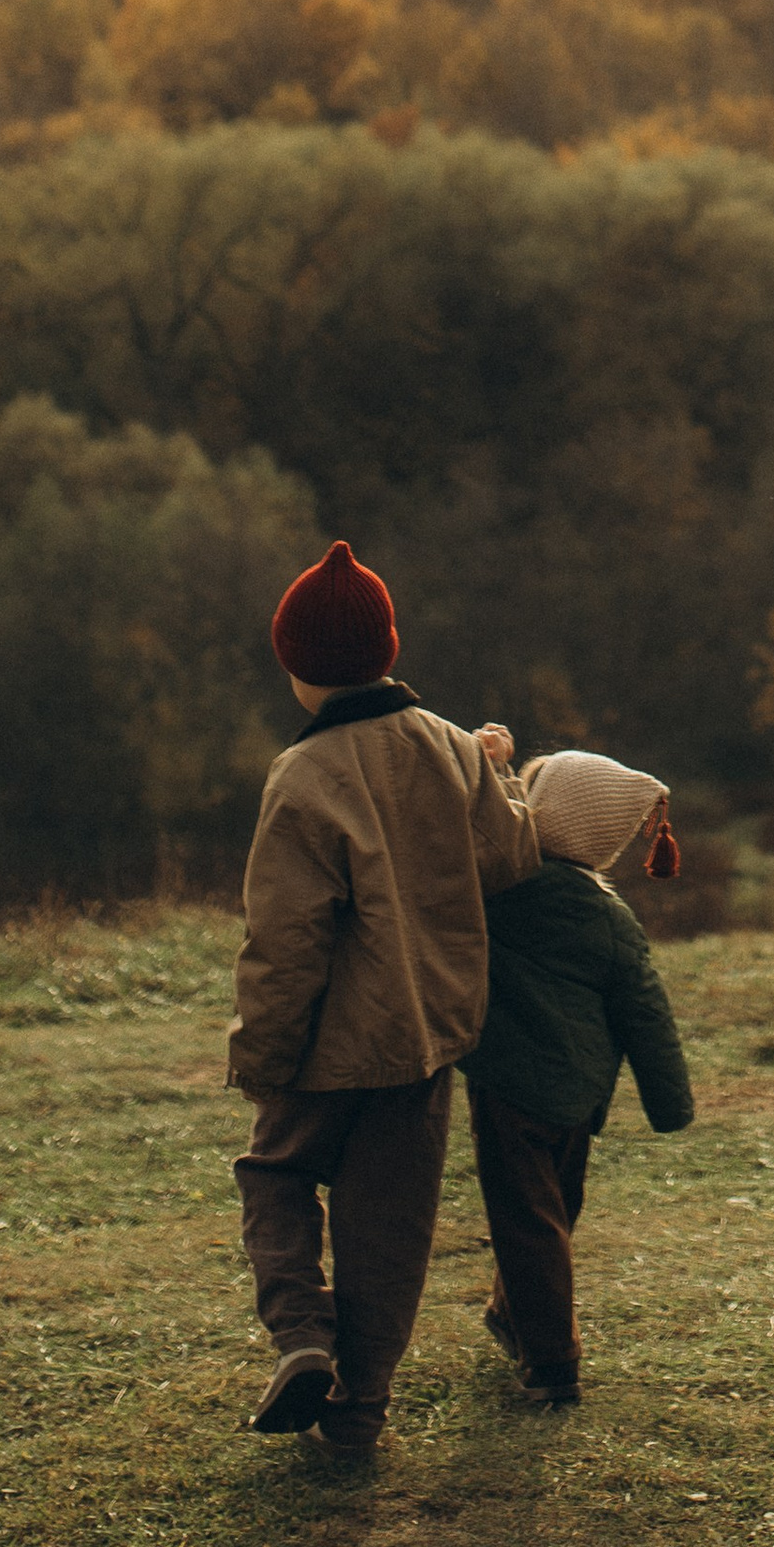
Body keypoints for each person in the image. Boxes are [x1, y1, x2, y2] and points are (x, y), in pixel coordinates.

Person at [228, 541, 540, 1457]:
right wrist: (496, 768)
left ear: (295, 668)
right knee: (388, 1230)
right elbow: (509, 859)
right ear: (389, 650)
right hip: (425, 1041)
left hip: (326, 1047)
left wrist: (262, 1054)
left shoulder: (301, 777)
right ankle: (359, 1410)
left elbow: (285, 940)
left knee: (275, 1177)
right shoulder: (450, 747)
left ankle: (303, 1335)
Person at [461, 747, 696, 1406]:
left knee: (526, 1220)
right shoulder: (609, 917)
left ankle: (553, 1365)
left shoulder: (495, 894)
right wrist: (670, 1102)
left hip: (507, 1090)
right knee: (554, 1212)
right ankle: (512, 1315)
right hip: (579, 1098)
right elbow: (646, 1011)